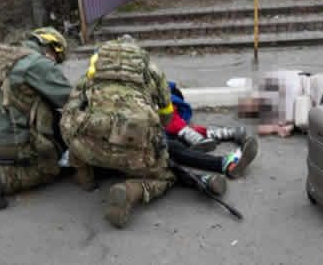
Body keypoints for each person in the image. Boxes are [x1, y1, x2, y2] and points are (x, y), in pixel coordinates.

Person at [61, 37, 226, 228]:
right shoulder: (151, 71)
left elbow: (69, 113)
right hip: (136, 157)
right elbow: (166, 117)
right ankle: (130, 191)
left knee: (75, 127)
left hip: (89, 151)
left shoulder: (90, 74)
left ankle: (85, 178)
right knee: (166, 176)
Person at [0, 27, 71, 210]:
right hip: (0, 142)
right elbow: (67, 98)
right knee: (50, 167)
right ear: (51, 48)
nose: (55, 63)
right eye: (57, 59)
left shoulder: (1, 53)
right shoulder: (37, 63)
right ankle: (0, 178)